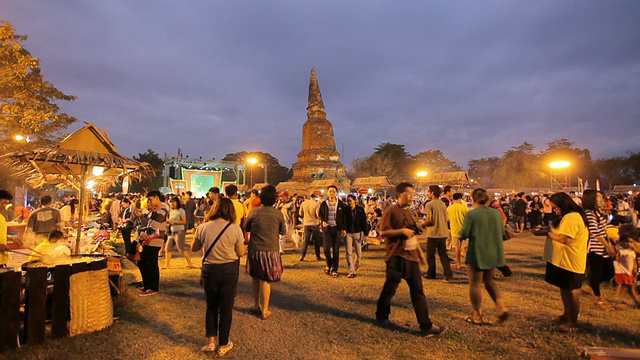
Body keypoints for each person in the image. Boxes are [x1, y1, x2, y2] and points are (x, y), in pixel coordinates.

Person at [375, 182, 446, 337]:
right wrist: (401, 231)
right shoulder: (390, 211)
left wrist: (419, 252)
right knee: (390, 289)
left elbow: (412, 233)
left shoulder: (408, 212)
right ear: (400, 194)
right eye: (410, 194)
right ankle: (381, 316)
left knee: (418, 291)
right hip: (396, 256)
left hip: (410, 257)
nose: (412, 197)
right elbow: (383, 232)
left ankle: (426, 326)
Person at [192, 198, 245, 355]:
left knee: (211, 305)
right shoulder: (235, 229)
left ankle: (210, 341)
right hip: (228, 270)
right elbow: (240, 253)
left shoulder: (202, 227)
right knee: (226, 308)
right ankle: (223, 343)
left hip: (209, 270)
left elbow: (194, 248)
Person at [459, 189, 509, 325]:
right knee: (489, 281)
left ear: (474, 200)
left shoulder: (472, 214)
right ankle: (501, 307)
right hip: (493, 252)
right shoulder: (496, 214)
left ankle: (477, 315)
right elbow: (501, 231)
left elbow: (464, 233)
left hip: (477, 252)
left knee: (475, 284)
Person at [543, 192, 589, 333]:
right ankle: (566, 315)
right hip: (563, 260)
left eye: (556, 207)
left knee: (571, 291)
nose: (555, 210)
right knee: (564, 289)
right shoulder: (570, 216)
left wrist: (547, 232)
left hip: (570, 260)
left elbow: (564, 239)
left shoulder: (572, 217)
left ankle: (572, 323)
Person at [244, 185, 285, 320]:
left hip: (255, 249)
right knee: (266, 281)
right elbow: (282, 232)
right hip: (271, 250)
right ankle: (265, 309)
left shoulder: (254, 212)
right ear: (274, 199)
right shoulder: (278, 214)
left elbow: (246, 227)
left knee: (255, 278)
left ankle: (256, 304)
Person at [582, 190, 616, 310]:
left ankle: (590, 286)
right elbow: (595, 232)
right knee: (596, 272)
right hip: (595, 247)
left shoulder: (597, 212)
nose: (601, 198)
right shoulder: (590, 213)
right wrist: (608, 246)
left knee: (609, 271)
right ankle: (598, 299)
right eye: (598, 197)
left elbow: (603, 229)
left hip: (603, 247)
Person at [137, 190, 168, 297]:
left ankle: (153, 287)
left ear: (156, 198)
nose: (148, 202)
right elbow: (149, 224)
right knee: (144, 262)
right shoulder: (156, 210)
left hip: (155, 240)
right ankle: (147, 285)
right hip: (150, 240)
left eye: (150, 199)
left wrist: (144, 232)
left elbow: (154, 226)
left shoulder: (162, 211)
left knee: (151, 264)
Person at [422, 185, 453, 282]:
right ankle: (448, 275)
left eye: (428, 192)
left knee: (430, 255)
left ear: (432, 193)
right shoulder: (443, 204)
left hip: (433, 233)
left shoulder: (429, 204)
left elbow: (429, 220)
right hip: (443, 233)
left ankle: (431, 274)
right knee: (443, 255)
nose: (428, 194)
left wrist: (423, 225)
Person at [318, 185, 347, 278]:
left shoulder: (340, 204)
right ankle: (329, 264)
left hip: (337, 229)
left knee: (336, 250)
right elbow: (320, 215)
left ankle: (335, 269)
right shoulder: (323, 204)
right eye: (330, 191)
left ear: (336, 193)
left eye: (333, 191)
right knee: (326, 249)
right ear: (327, 192)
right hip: (327, 229)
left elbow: (343, 217)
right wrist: (323, 222)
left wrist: (344, 229)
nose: (332, 193)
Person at [164, 197, 195, 269]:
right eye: (171, 202)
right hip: (172, 231)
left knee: (181, 248)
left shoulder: (181, 211)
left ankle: (190, 263)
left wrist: (174, 222)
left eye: (173, 202)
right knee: (168, 248)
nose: (172, 204)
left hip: (179, 231)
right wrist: (168, 223)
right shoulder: (171, 211)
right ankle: (167, 264)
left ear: (177, 202)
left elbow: (184, 221)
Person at [613, 225, 640, 306]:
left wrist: (635, 268)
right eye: (627, 242)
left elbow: (634, 261)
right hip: (623, 272)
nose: (629, 244)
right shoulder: (622, 251)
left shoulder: (631, 252)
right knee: (630, 288)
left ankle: (617, 297)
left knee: (624, 286)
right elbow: (616, 257)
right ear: (621, 242)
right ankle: (637, 302)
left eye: (631, 242)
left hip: (629, 272)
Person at [344, 194, 367, 278]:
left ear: (355, 201)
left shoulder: (360, 209)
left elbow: (364, 221)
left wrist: (365, 232)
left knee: (358, 252)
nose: (349, 202)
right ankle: (351, 270)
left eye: (350, 200)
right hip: (348, 233)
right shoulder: (345, 209)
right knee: (348, 252)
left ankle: (357, 263)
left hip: (358, 232)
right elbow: (343, 220)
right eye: (348, 201)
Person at [447, 193, 469, 270]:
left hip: (454, 230)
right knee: (464, 246)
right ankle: (466, 262)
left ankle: (458, 263)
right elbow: (468, 218)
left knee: (456, 247)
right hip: (464, 230)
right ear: (460, 199)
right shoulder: (464, 208)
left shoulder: (449, 208)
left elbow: (448, 219)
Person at [299, 193, 322, 262]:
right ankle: (317, 256)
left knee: (306, 241)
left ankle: (302, 255)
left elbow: (300, 213)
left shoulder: (303, 203)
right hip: (314, 224)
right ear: (315, 197)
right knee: (317, 241)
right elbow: (317, 215)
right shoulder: (316, 204)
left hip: (306, 223)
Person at [0, 190, 14, 267]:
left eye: (6, 203)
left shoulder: (2, 218)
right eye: (3, 203)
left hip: (2, 260)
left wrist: (11, 238)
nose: (5, 205)